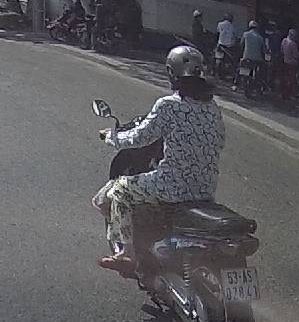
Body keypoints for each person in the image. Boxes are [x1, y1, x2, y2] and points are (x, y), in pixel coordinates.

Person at [92, 46, 224, 277]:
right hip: (205, 189)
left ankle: (127, 254)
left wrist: (111, 137)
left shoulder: (169, 105)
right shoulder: (212, 107)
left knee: (120, 190)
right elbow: (219, 141)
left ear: (172, 73)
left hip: (171, 186)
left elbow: (140, 137)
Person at [239, 20, 265, 91]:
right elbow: (263, 50)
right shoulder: (260, 37)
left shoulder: (245, 34)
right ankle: (258, 85)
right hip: (257, 59)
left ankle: (237, 83)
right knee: (260, 71)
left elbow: (241, 45)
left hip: (246, 57)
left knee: (240, 69)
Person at [280, 29, 299, 101]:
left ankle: (283, 93)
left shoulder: (284, 40)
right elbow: (296, 55)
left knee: (285, 78)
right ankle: (289, 94)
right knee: (291, 79)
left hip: (285, 62)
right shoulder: (293, 44)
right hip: (292, 63)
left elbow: (281, 50)